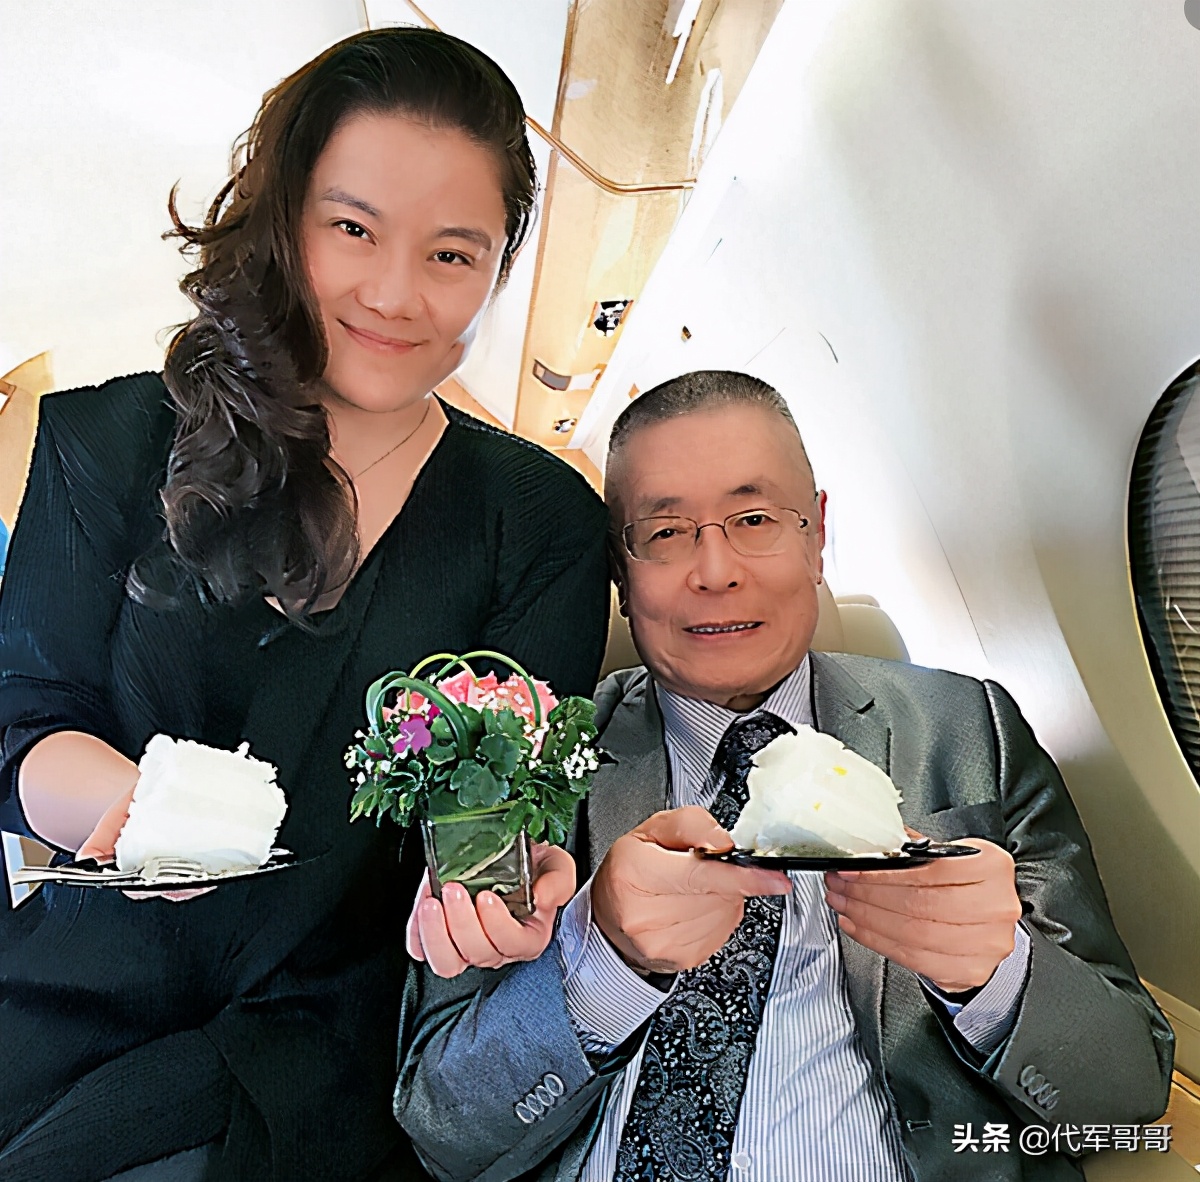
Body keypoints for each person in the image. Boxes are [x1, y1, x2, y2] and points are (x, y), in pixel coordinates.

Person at [0, 28, 609, 1182]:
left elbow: (508, 788)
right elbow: (22, 718)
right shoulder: (107, 439)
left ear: (498, 269)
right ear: (284, 221)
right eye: (353, 229)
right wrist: (120, 805)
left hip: (320, 1051)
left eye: (452, 253)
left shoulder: (540, 520)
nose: (394, 294)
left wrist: (492, 888)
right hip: (76, 987)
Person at [396, 370, 1174, 1182]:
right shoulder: (521, 761)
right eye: (664, 533)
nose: (715, 570)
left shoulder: (967, 728)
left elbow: (1127, 1090)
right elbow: (446, 1132)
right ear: (620, 574)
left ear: (817, 535)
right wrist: (602, 965)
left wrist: (996, 975)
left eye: (755, 519)